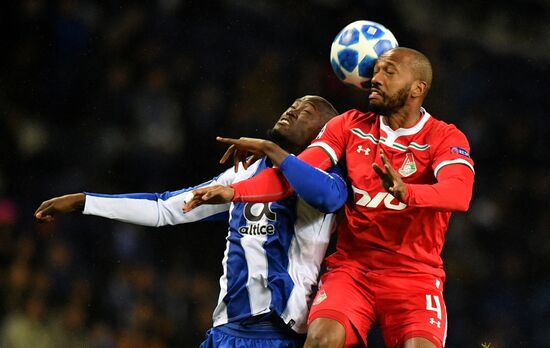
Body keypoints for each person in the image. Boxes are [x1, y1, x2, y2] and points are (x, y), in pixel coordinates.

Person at [185, 47, 475, 348]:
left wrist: (408, 191)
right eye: (376, 70)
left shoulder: (444, 137)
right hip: (353, 271)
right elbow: (296, 172)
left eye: (389, 72)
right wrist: (236, 192)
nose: (375, 78)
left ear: (418, 89)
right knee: (322, 339)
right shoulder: (349, 125)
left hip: (414, 277)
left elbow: (459, 193)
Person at [34, 95, 349, 347]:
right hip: (225, 330)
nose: (292, 111)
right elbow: (165, 209)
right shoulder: (242, 173)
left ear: (323, 133)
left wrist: (270, 149)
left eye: (306, 110)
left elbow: (329, 198)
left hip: (275, 334)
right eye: (292, 105)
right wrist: (84, 202)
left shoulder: (326, 179)